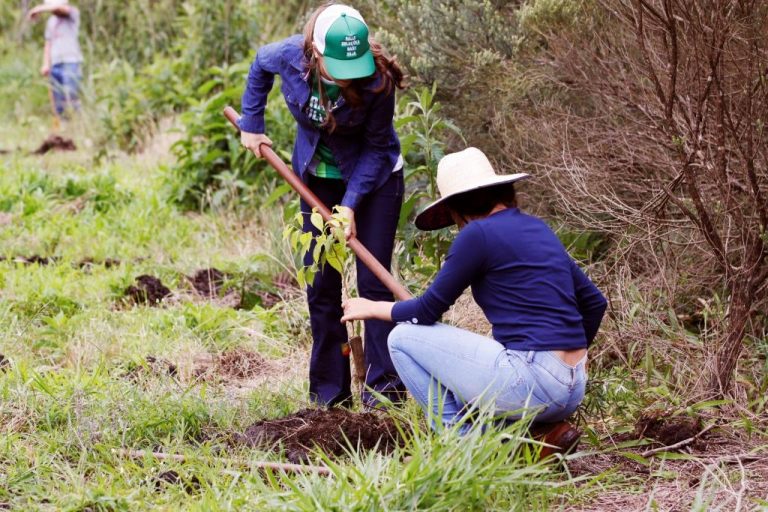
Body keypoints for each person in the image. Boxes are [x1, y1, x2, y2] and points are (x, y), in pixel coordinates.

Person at [341, 147, 607, 454]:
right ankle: (526, 438)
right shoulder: (537, 227)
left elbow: (426, 311)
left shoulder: (477, 234)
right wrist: (562, 363)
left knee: (401, 338)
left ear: (457, 206)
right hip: (573, 387)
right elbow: (594, 302)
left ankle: (462, 444)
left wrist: (372, 307)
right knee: (490, 361)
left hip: (531, 382)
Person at [240, 3, 406, 408]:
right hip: (315, 180)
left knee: (374, 285)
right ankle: (329, 396)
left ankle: (384, 395)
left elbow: (377, 148)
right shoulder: (288, 56)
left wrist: (350, 206)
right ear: (314, 53)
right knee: (321, 286)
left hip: (375, 181)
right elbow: (259, 67)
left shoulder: (378, 81)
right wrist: (252, 125)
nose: (350, 75)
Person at [27, 0, 83, 119]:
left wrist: (39, 8)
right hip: (55, 63)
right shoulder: (51, 22)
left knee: (71, 96)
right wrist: (46, 63)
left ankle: (78, 123)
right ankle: (63, 126)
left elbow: (61, 9)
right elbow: (48, 43)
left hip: (70, 61)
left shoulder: (72, 13)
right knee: (58, 101)